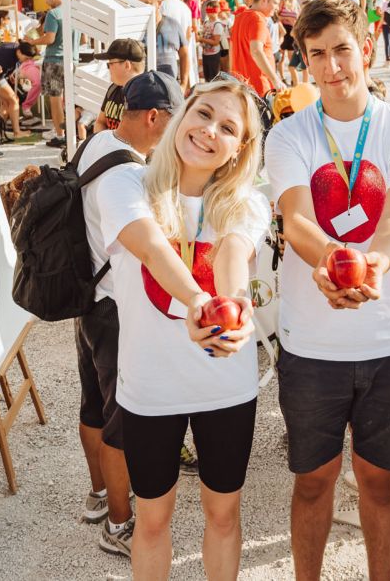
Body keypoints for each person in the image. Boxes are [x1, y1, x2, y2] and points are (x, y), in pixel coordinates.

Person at [265, 0, 390, 581]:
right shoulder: (287, 136)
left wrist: (374, 267)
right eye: (318, 55)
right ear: (304, 63)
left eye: (341, 49)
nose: (333, 66)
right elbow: (297, 220)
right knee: (312, 482)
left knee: (381, 483)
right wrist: (330, 263)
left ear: (364, 47)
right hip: (313, 346)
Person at [94, 75, 267, 580]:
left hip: (226, 386)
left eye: (228, 127)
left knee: (223, 513)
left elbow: (234, 251)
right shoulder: (127, 183)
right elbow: (150, 246)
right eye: (204, 114)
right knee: (152, 518)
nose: (210, 130)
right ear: (182, 114)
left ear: (240, 148)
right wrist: (197, 302)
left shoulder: (246, 200)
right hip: (150, 387)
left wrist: (233, 303)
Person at [77, 71, 182, 557]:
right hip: (116, 306)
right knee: (121, 420)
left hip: (88, 298)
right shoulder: (130, 175)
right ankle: (119, 524)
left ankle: (100, 496)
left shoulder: (99, 142)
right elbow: (149, 250)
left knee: (93, 405)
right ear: (154, 117)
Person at [25, 0, 70, 147]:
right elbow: (84, 39)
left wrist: (33, 41)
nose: (45, 0)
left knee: (55, 100)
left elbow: (50, 38)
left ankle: (60, 135)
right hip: (70, 60)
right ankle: (68, 132)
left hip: (54, 60)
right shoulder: (72, 12)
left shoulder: (53, 14)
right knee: (68, 100)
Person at [230, 0, 283, 97]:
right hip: (258, 87)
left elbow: (232, 49)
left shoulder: (240, 17)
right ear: (264, 0)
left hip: (241, 85)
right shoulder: (258, 19)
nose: (277, 7)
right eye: (275, 3)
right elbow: (256, 51)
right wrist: (275, 80)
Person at [92, 38, 146, 134]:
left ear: (127, 65)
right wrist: (105, 144)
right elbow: (100, 122)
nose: (108, 69)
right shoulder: (114, 88)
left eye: (110, 64)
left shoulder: (146, 94)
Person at [0, 39, 37, 138]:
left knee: (6, 104)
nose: (26, 61)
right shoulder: (6, 55)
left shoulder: (16, 49)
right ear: (19, 52)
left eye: (29, 59)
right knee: (14, 100)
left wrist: (9, 74)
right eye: (26, 58)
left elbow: (7, 68)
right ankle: (16, 132)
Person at [200, 0, 228, 81]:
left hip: (214, 54)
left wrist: (202, 39)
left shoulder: (217, 24)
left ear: (216, 11)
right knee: (207, 77)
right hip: (205, 53)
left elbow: (216, 42)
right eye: (207, 10)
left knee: (213, 78)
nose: (208, 13)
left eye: (211, 10)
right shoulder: (206, 23)